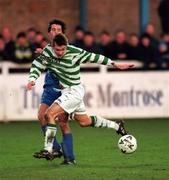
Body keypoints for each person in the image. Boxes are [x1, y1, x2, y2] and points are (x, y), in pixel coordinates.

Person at [26, 33, 134, 160]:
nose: (60, 52)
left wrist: (115, 64)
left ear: (67, 46)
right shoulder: (47, 52)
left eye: (63, 49)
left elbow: (95, 57)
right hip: (66, 91)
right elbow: (37, 65)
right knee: (84, 121)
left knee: (49, 114)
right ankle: (116, 126)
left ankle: (48, 149)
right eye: (57, 50)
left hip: (74, 91)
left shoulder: (76, 52)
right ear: (52, 46)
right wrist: (32, 79)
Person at [33, 20, 76, 165]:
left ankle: (70, 157)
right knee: (41, 116)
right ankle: (56, 149)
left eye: (58, 29)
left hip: (64, 88)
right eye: (53, 29)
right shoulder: (47, 49)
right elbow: (41, 63)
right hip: (50, 86)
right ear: (50, 32)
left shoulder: (67, 49)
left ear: (63, 32)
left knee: (62, 123)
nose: (55, 31)